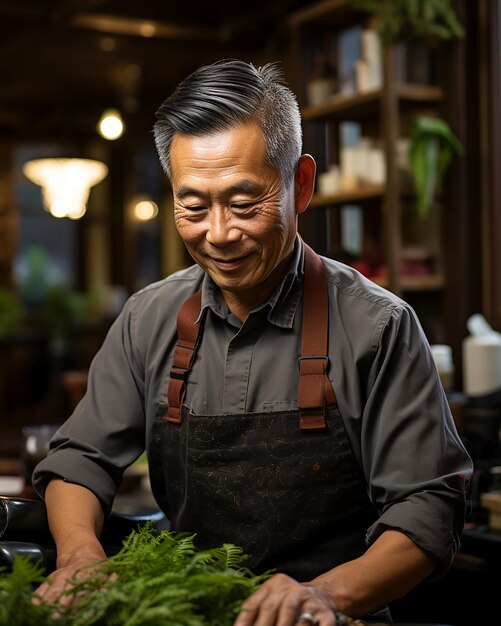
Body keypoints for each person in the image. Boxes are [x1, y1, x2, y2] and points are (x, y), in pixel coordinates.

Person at [33, 59, 473, 625]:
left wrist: (326, 597)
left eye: (244, 204)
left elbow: (428, 508)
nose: (218, 234)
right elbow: (78, 459)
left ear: (302, 184)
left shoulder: (378, 326)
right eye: (192, 206)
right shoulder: (149, 318)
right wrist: (80, 557)